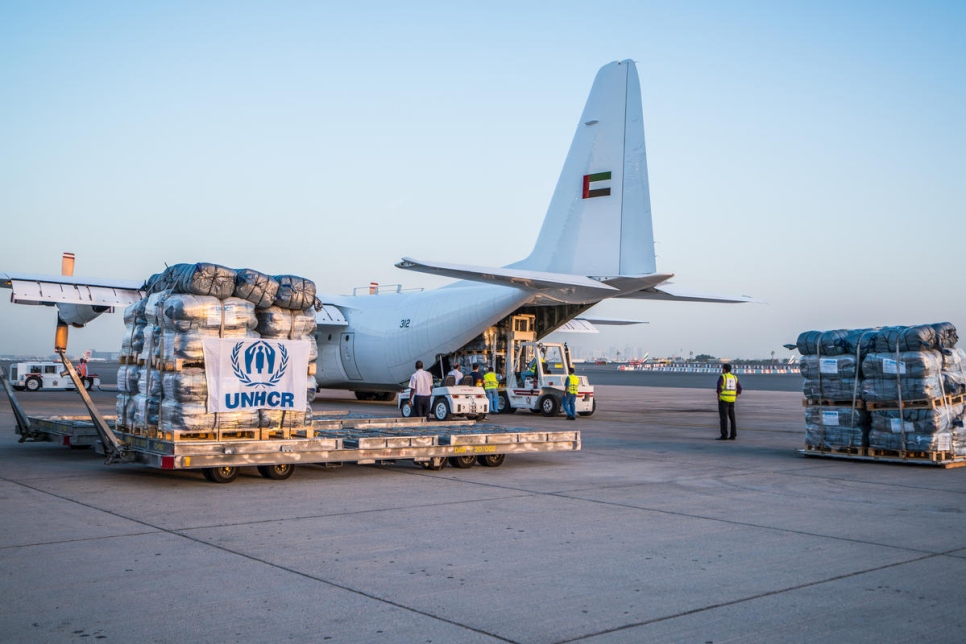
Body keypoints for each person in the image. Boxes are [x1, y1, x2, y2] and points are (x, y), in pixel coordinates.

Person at [716, 363, 742, 440]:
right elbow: (740, 388)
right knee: (732, 418)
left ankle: (724, 435)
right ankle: (733, 435)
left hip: (723, 400)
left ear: (724, 369)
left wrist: (718, 395)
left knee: (724, 418)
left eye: (722, 368)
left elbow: (719, 387)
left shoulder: (723, 376)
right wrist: (736, 395)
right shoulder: (734, 377)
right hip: (732, 400)